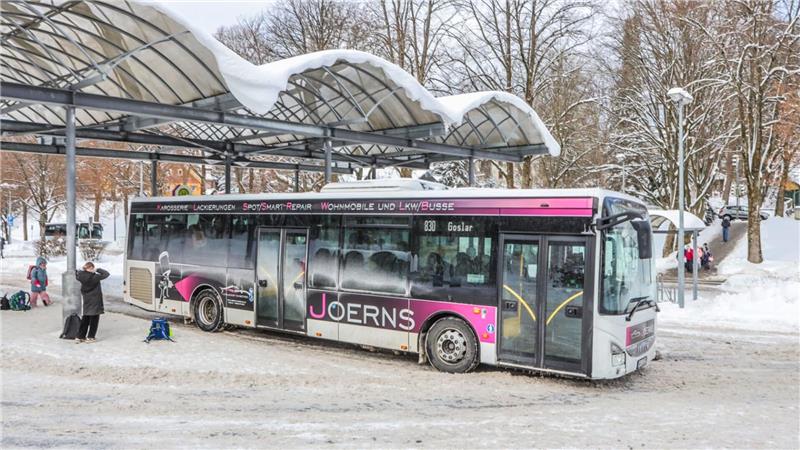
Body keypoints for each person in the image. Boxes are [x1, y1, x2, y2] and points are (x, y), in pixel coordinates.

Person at [74, 261, 110, 343]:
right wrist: (98, 269)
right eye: (92, 268)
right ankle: (90, 337)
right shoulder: (95, 277)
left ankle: (80, 336)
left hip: (87, 300)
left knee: (85, 318)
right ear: (91, 268)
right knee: (94, 318)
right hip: (95, 300)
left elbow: (76, 274)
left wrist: (81, 271)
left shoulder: (80, 276)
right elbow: (106, 274)